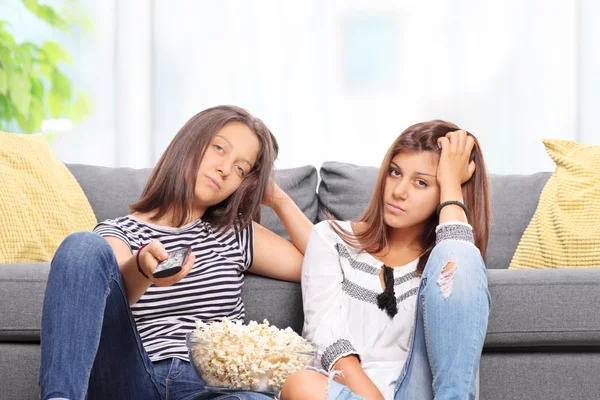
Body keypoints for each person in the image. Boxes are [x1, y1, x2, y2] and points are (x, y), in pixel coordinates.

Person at [39, 105, 314, 400]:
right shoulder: (120, 232)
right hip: (131, 377)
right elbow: (111, 292)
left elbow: (321, 264)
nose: (224, 169)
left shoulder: (235, 234)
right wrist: (143, 269)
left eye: (240, 169)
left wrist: (280, 200)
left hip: (210, 387)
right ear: (191, 142)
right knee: (82, 245)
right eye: (220, 148)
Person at [280, 120, 491, 400]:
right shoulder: (330, 238)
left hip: (423, 393)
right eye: (395, 172)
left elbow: (458, 259)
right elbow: (324, 338)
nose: (398, 191)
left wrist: (451, 184)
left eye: (421, 182)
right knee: (301, 384)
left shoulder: (448, 260)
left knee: (457, 257)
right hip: (352, 394)